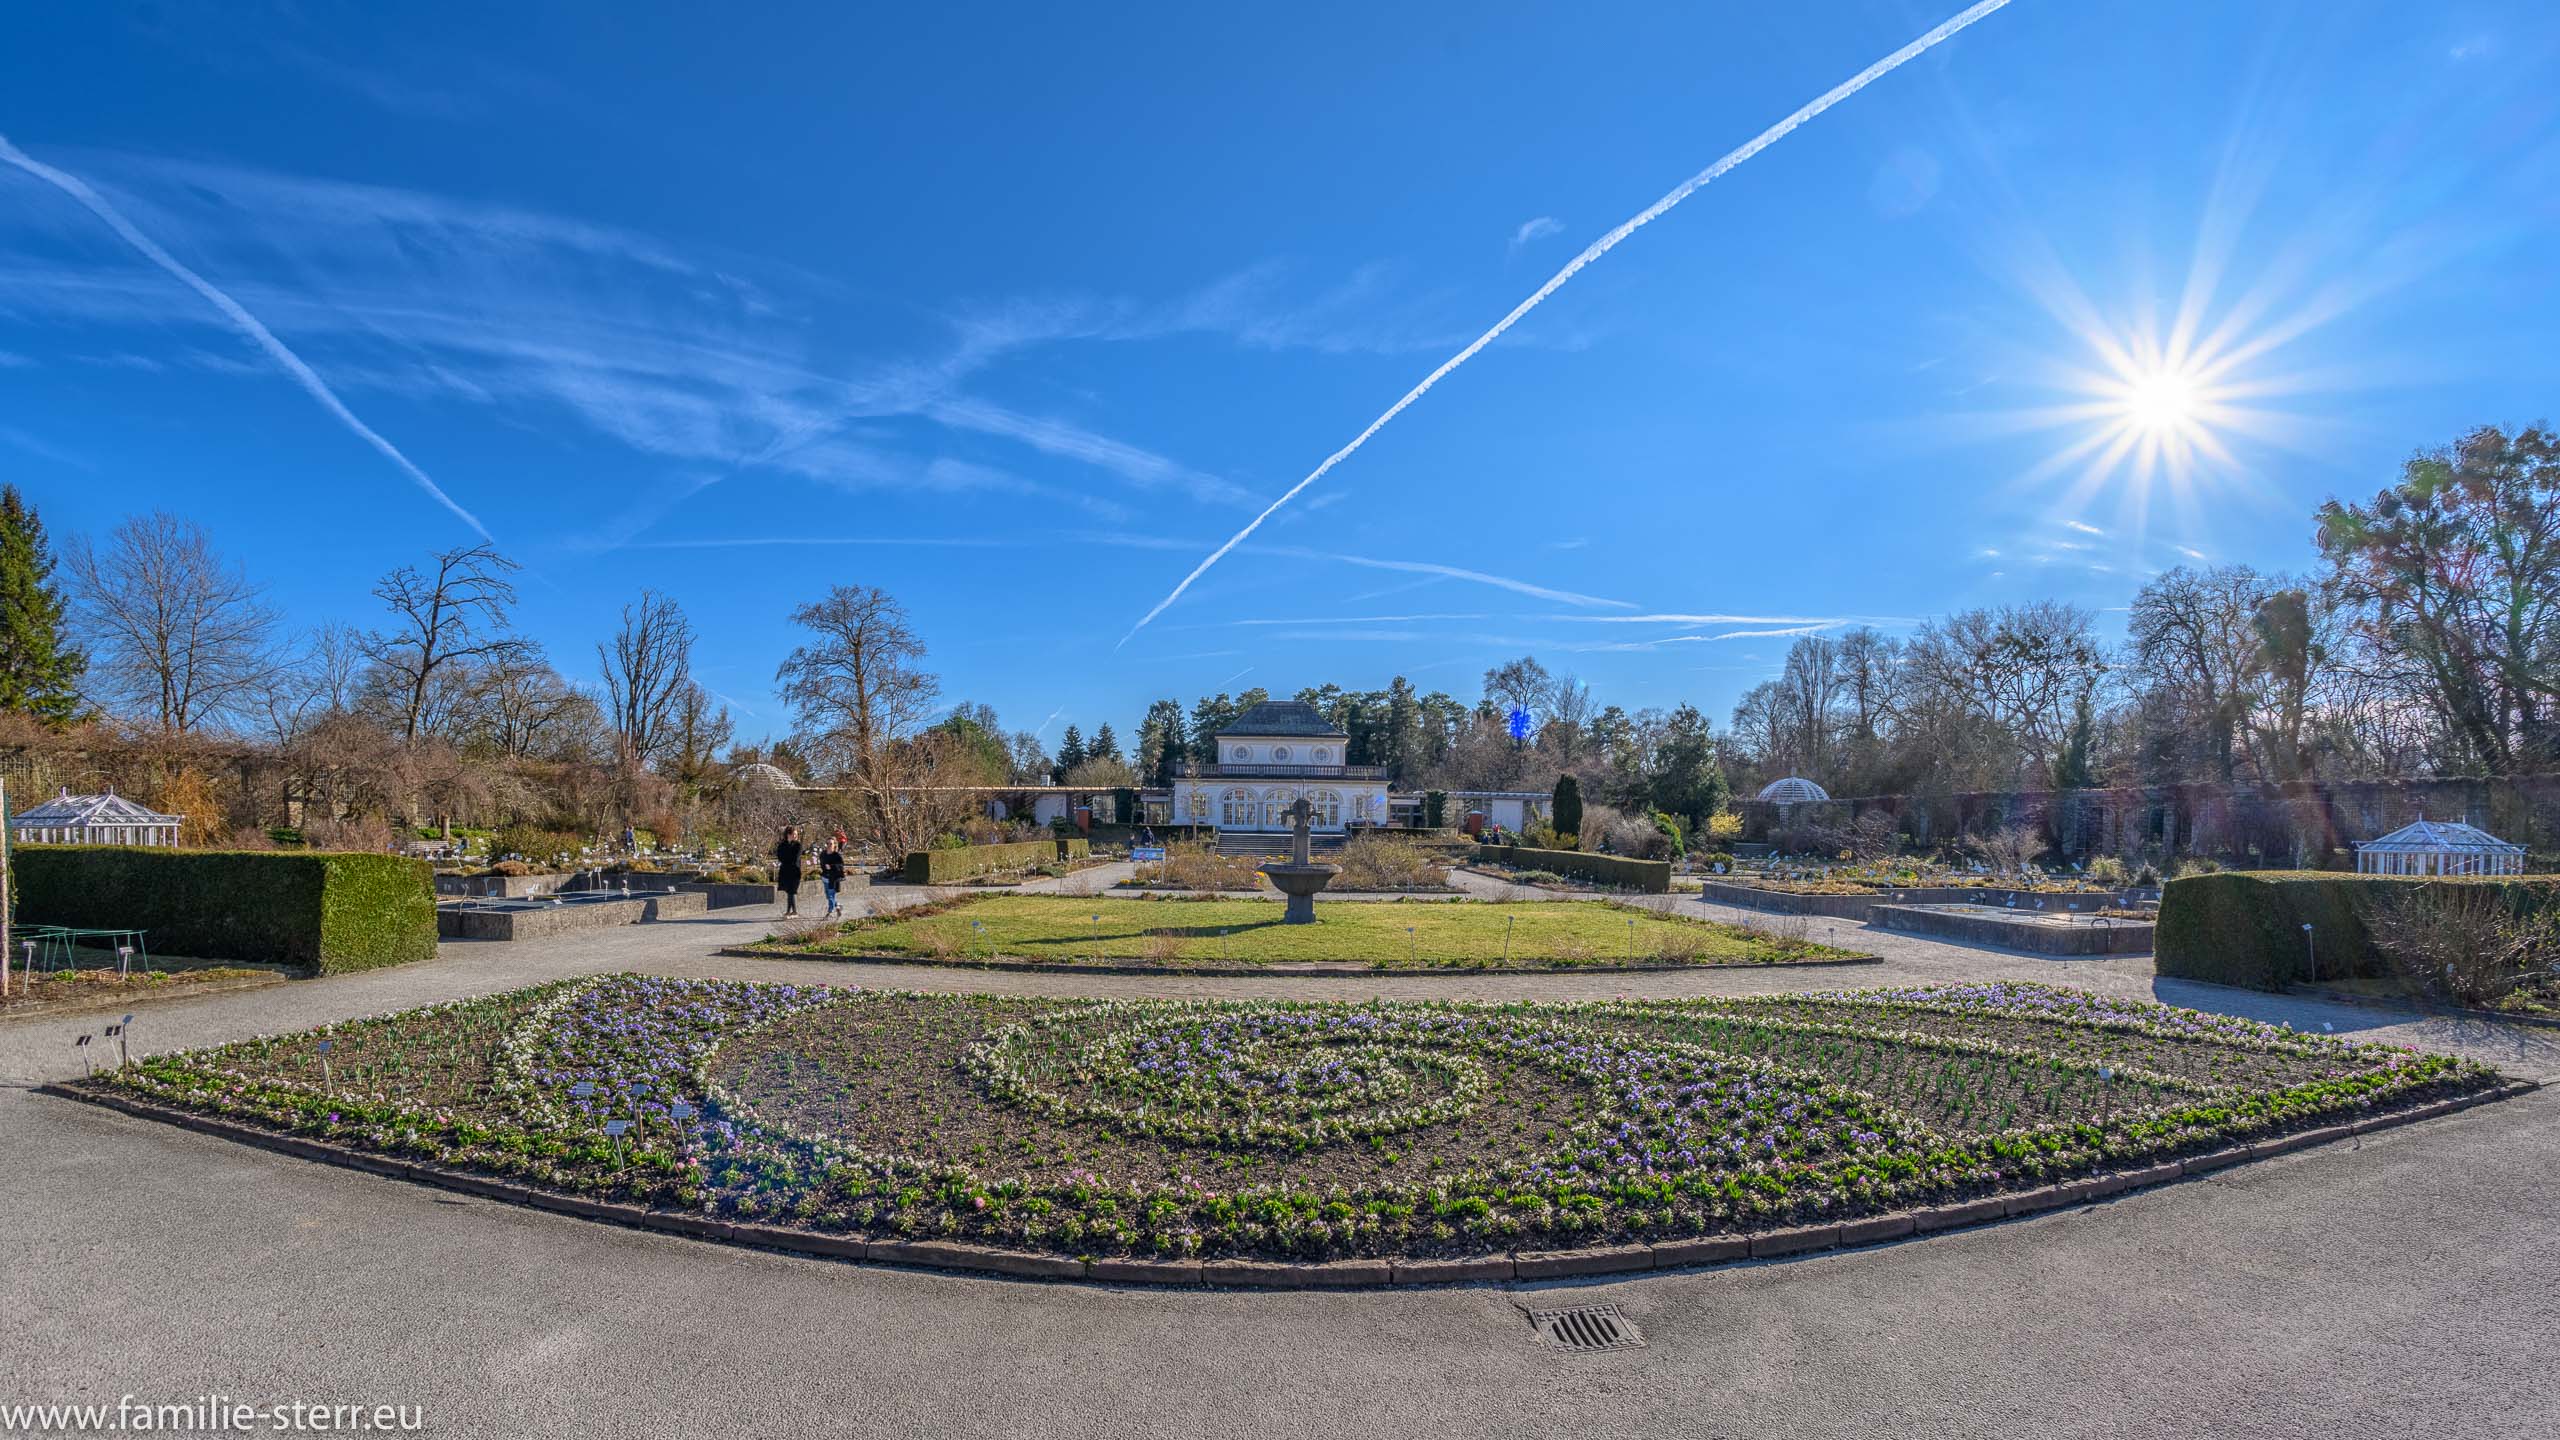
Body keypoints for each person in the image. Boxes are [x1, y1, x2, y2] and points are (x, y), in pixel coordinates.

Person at [773, 825, 805, 918]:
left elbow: (795, 858)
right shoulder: (782, 845)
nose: (795, 836)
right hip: (785, 871)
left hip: (795, 871)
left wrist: (786, 858)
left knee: (792, 890)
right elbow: (780, 856)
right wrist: (786, 858)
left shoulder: (798, 845)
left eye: (796, 834)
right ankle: (792, 911)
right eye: (793, 834)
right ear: (788, 834)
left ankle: (791, 912)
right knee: (789, 891)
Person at [817, 838, 847, 919]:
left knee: (830, 896)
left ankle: (829, 912)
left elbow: (841, 866)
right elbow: (822, 864)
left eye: (831, 843)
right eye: (828, 843)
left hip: (833, 878)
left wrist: (831, 866)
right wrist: (821, 869)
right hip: (825, 878)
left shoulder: (837, 855)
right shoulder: (823, 854)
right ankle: (837, 905)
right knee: (828, 896)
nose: (829, 845)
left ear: (834, 845)